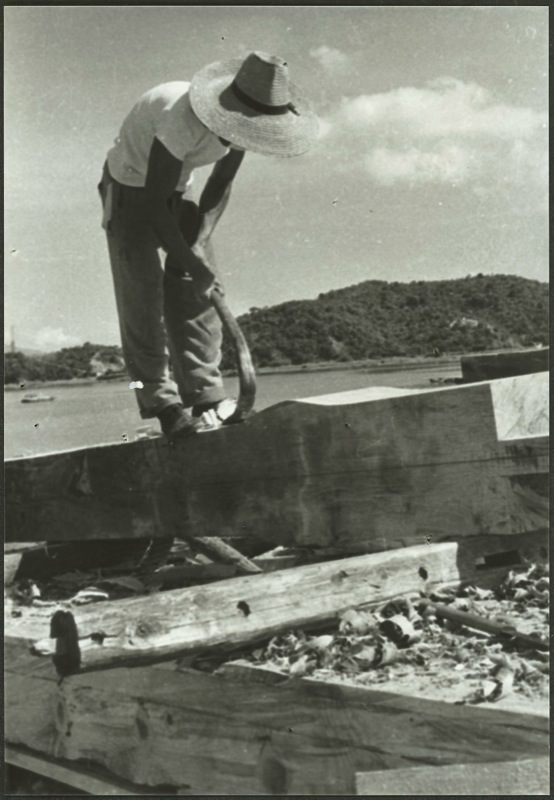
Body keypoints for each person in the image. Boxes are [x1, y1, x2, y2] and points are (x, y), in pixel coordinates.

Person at [98, 51, 319, 441]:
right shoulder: (180, 118)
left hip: (174, 191)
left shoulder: (246, 123)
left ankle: (206, 397)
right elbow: (153, 204)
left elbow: (220, 184)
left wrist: (199, 242)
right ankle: (163, 405)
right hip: (130, 189)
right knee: (142, 299)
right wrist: (190, 261)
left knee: (199, 292)